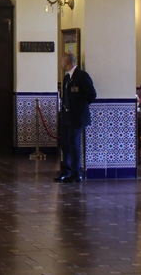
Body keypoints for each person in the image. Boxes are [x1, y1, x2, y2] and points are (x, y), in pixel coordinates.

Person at [54, 51, 96, 183]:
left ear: (67, 62)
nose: (60, 64)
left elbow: (91, 94)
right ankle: (65, 171)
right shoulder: (67, 78)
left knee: (74, 143)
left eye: (61, 61)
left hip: (77, 117)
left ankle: (76, 173)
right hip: (66, 116)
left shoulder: (82, 76)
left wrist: (80, 108)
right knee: (65, 144)